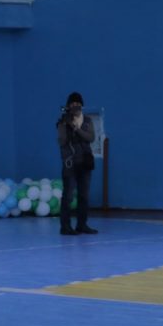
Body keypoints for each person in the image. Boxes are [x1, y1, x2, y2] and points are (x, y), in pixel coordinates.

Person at [56, 91, 97, 236]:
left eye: (78, 104)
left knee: (84, 196)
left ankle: (82, 224)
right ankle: (65, 227)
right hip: (70, 164)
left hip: (85, 163)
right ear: (68, 106)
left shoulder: (87, 121)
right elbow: (62, 141)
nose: (76, 106)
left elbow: (91, 137)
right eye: (73, 104)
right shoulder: (63, 121)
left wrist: (76, 129)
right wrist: (65, 125)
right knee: (68, 196)